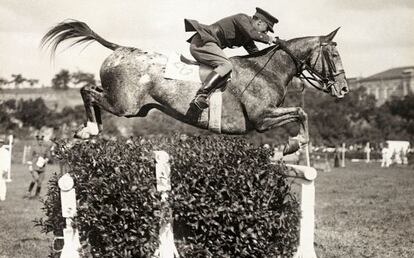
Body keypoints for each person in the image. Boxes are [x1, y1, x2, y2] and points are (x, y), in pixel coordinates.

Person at [185, 7, 285, 109]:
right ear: (260, 22)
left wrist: (276, 51)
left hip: (205, 43)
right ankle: (201, 95)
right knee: (226, 65)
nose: (266, 33)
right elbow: (253, 34)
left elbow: (256, 54)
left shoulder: (247, 35)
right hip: (202, 42)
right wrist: (273, 40)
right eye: (267, 29)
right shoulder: (242, 18)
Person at [24, 135, 50, 199]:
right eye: (39, 140)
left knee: (40, 182)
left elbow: (48, 156)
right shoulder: (34, 147)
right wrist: (30, 166)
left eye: (41, 140)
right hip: (35, 166)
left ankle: (37, 194)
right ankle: (29, 192)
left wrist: (46, 159)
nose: (40, 141)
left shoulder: (45, 147)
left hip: (42, 167)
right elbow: (30, 156)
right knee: (36, 178)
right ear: (37, 141)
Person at [0, 137, 11, 201]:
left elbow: (7, 162)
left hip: (2, 169)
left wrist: (6, 170)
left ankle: (2, 196)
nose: (0, 144)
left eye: (1, 143)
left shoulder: (5, 152)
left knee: (2, 182)